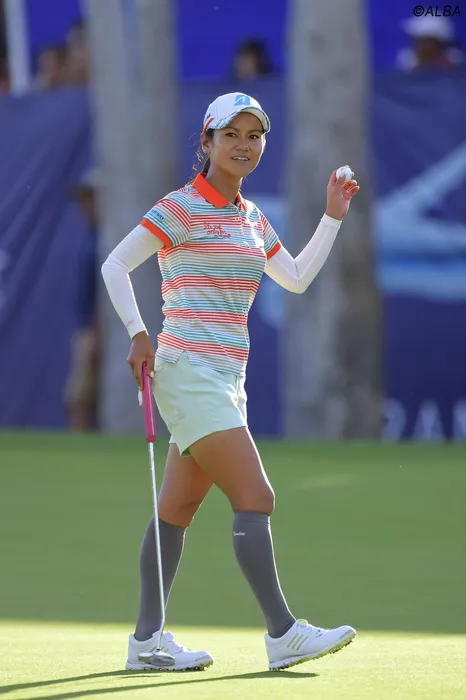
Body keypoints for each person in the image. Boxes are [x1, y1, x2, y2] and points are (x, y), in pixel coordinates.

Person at [101, 92, 360, 672]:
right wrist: (138, 333)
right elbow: (115, 265)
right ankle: (283, 633)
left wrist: (332, 218)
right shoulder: (181, 207)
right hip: (186, 370)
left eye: (254, 135)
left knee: (176, 507)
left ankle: (145, 643)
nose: (244, 145)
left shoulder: (251, 217)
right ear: (207, 141)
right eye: (231, 134)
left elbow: (295, 278)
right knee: (256, 495)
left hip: (226, 377)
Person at [65, 167, 100, 431]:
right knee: (80, 397)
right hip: (88, 328)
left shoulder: (106, 239)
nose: (86, 204)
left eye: (91, 197)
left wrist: (98, 332)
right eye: (84, 198)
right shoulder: (91, 235)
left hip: (96, 329)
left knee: (78, 396)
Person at [396, 15, 464, 71]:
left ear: (438, 43)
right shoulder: (407, 61)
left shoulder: (455, 60)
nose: (418, 45)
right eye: (416, 40)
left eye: (425, 41)